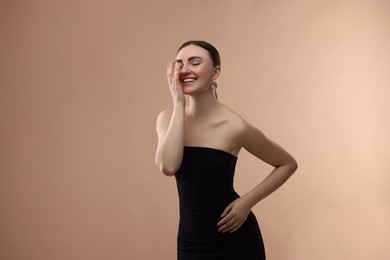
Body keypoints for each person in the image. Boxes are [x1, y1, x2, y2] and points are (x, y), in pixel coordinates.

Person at [155, 40, 298, 260]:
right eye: (179, 64)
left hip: (236, 240)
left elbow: (287, 163)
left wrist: (247, 202)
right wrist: (179, 105)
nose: (185, 70)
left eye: (195, 63)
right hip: (191, 242)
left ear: (215, 72)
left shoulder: (234, 126)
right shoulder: (168, 118)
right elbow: (168, 166)